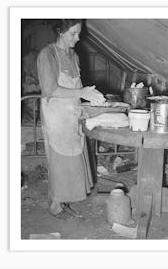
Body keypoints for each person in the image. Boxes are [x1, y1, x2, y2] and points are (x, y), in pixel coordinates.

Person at [37, 19, 105, 219]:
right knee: (58, 163)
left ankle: (62, 200)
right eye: (73, 33)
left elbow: (76, 88)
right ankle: (54, 205)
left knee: (72, 161)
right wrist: (81, 91)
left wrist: (86, 100)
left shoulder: (74, 56)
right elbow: (50, 89)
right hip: (56, 117)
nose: (78, 38)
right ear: (60, 31)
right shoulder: (47, 55)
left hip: (71, 115)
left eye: (78, 33)